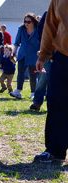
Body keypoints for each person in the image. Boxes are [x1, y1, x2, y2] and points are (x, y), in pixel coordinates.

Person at [34, 0, 68, 163]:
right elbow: (50, 26)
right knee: (56, 102)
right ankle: (55, 151)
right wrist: (43, 54)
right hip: (62, 57)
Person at [10, 13, 40, 100]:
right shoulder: (21, 29)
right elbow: (16, 43)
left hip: (34, 55)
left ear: (33, 22)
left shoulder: (38, 30)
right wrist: (14, 52)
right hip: (22, 54)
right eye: (25, 21)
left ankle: (33, 93)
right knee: (20, 73)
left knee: (33, 74)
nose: (26, 23)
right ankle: (18, 91)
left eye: (28, 21)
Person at [30, 11, 49, 112]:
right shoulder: (49, 13)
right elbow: (41, 33)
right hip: (48, 51)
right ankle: (37, 102)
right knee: (43, 78)